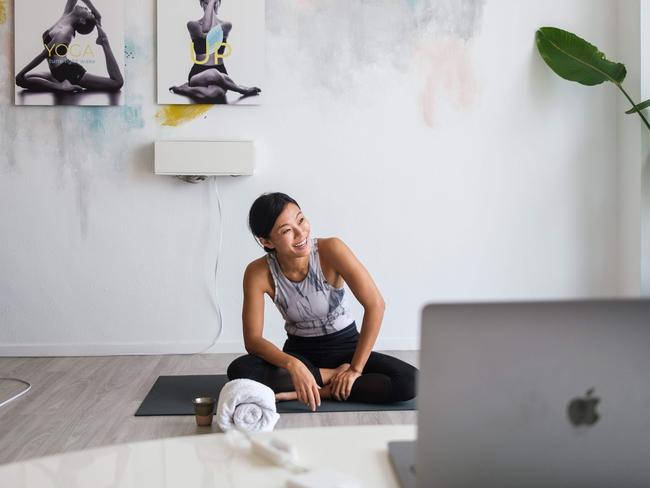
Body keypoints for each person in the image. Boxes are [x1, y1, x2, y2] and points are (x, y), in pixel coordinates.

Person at [227, 193, 418, 411]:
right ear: (267, 241)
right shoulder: (257, 272)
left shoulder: (331, 249)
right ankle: (332, 378)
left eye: (300, 220)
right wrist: (294, 364)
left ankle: (320, 390)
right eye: (287, 230)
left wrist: (355, 369)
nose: (301, 233)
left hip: (348, 348)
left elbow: (376, 305)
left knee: (410, 381)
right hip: (301, 353)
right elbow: (252, 340)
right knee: (240, 370)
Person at [15, 0, 123, 94]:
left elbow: (43, 55)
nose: (86, 8)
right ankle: (59, 84)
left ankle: (104, 41)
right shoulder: (66, 15)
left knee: (116, 83)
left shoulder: (65, 32)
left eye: (88, 13)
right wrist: (97, 13)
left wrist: (20, 73)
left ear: (82, 20)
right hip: (57, 72)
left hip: (69, 72)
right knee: (25, 80)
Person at [169, 0, 261, 103]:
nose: (210, 5)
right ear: (201, 4)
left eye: (214, 2)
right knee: (212, 73)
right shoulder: (193, 25)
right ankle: (241, 89)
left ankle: (185, 89)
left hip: (220, 70)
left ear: (219, 3)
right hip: (198, 72)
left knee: (214, 94)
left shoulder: (226, 25)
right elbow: (207, 30)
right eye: (206, 2)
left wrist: (211, 4)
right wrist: (212, 2)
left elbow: (213, 30)